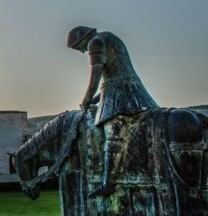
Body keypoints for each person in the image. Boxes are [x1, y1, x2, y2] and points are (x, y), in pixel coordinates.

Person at [67, 26, 159, 196]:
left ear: (82, 39)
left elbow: (96, 77)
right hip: (126, 88)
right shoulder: (109, 37)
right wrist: (96, 99)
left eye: (78, 47)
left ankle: (108, 183)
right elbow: (108, 81)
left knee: (112, 131)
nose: (81, 51)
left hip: (122, 92)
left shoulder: (95, 43)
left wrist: (86, 100)